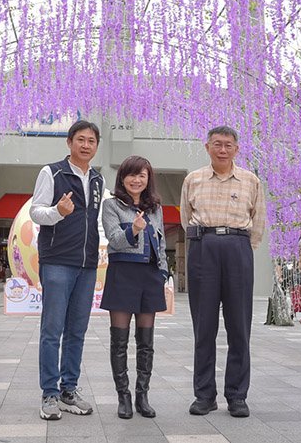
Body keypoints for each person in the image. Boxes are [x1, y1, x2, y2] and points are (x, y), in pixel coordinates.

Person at [180, 125, 264, 419]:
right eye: (217, 144)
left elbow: (259, 220)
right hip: (204, 248)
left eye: (229, 145)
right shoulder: (194, 179)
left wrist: (242, 248)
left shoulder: (251, 181)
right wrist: (206, 242)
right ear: (207, 147)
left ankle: (237, 396)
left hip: (238, 248)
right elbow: (184, 217)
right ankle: (204, 395)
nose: (223, 149)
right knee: (204, 326)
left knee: (239, 326)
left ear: (237, 149)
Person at [30, 119, 104, 421]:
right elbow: (36, 211)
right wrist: (58, 212)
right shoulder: (52, 172)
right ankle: (49, 393)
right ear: (69, 142)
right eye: (80, 140)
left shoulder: (98, 179)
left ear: (97, 146)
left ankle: (68, 390)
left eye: (91, 141)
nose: (86, 145)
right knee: (52, 330)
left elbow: (95, 219)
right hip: (58, 261)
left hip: (87, 264)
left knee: (77, 331)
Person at [100, 155, 168, 420]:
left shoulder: (155, 208)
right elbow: (114, 240)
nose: (136, 180)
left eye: (142, 175)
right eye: (131, 174)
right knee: (119, 340)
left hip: (150, 276)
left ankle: (142, 396)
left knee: (146, 342)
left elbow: (160, 245)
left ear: (148, 178)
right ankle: (124, 397)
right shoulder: (112, 205)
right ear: (122, 178)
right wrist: (134, 230)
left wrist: (162, 272)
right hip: (122, 274)